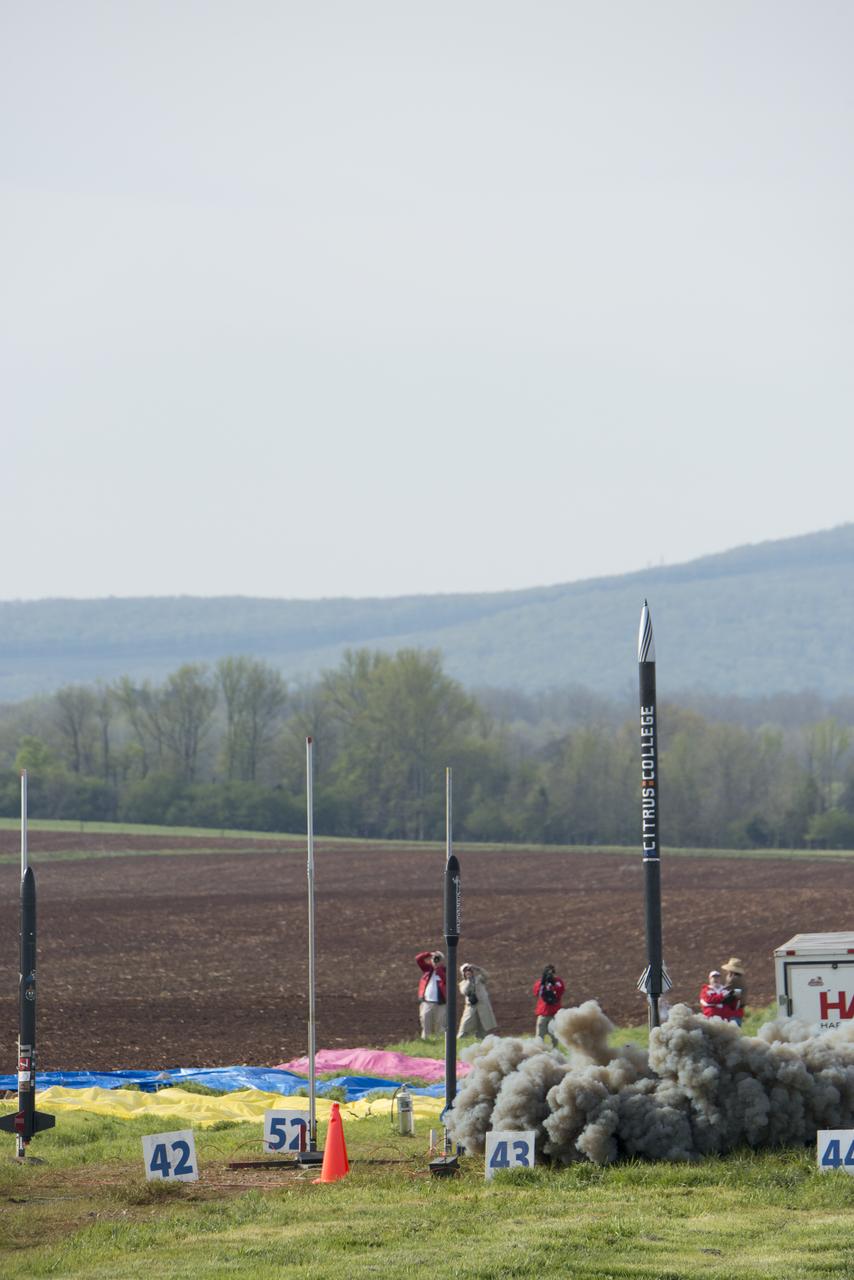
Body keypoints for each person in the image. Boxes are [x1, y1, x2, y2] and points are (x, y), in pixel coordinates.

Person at [457, 963, 497, 1039]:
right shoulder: (463, 983)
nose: (468, 972)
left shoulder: (479, 979)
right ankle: (461, 1038)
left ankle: (480, 1038)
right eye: (465, 971)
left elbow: (487, 976)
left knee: (483, 1025)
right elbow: (464, 991)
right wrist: (469, 981)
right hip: (471, 1007)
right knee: (465, 1025)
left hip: (483, 1005)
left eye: (469, 970)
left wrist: (477, 968)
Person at [415, 949, 447, 1038]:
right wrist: (429, 954)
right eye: (434, 958)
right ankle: (426, 1042)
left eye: (438, 958)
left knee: (440, 1025)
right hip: (427, 1002)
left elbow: (446, 979)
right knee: (425, 1024)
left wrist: (438, 968)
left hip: (441, 1003)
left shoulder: (445, 970)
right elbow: (418, 959)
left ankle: (440, 1043)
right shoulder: (427, 970)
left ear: (442, 961)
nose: (435, 960)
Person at [533, 964, 565, 1046]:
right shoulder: (540, 983)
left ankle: (555, 1052)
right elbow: (537, 993)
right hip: (543, 1013)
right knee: (539, 1036)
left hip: (554, 1014)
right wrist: (543, 983)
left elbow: (560, 991)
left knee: (554, 1036)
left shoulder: (558, 982)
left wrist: (553, 984)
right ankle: (539, 1052)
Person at [722, 957, 747, 1026]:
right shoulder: (741, 979)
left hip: (733, 1011)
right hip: (739, 1011)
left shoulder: (733, 979)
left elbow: (724, 991)